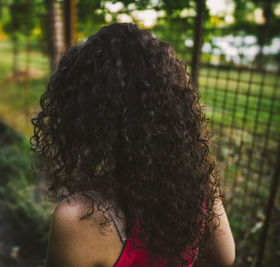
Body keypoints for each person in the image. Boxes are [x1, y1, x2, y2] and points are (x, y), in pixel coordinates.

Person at [31, 23, 235, 267]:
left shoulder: (79, 218)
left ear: (83, 113)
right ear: (173, 109)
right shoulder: (195, 183)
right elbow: (225, 257)